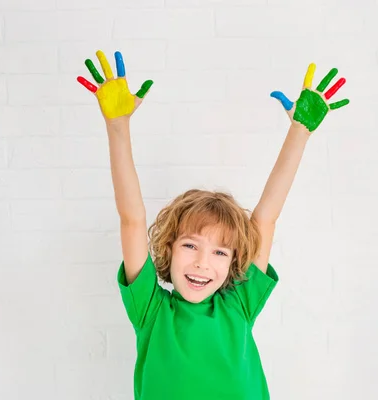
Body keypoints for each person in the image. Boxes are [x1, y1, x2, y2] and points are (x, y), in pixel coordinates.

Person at [77, 50, 349, 400]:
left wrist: (299, 133)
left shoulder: (239, 303)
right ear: (169, 248)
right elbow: (132, 219)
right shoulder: (151, 309)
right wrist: (117, 127)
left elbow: (265, 217)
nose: (202, 262)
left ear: (234, 261)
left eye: (220, 251)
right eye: (190, 245)